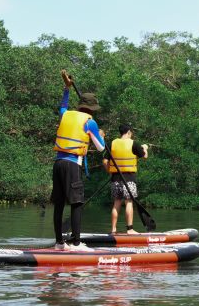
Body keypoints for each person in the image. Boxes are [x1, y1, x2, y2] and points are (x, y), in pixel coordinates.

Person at [52, 70, 106, 251]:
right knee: (76, 203)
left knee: (59, 204)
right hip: (73, 164)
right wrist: (101, 136)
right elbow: (101, 148)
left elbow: (62, 106)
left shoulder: (65, 114)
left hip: (58, 163)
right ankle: (76, 243)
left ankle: (59, 243)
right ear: (91, 109)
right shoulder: (90, 121)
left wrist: (66, 89)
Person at [104, 123, 148, 234]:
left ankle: (113, 229)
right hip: (129, 179)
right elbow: (144, 156)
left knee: (116, 203)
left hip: (115, 178)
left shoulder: (112, 143)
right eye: (131, 132)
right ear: (128, 132)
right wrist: (145, 148)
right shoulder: (134, 144)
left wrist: (110, 171)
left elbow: (105, 161)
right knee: (129, 202)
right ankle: (130, 229)